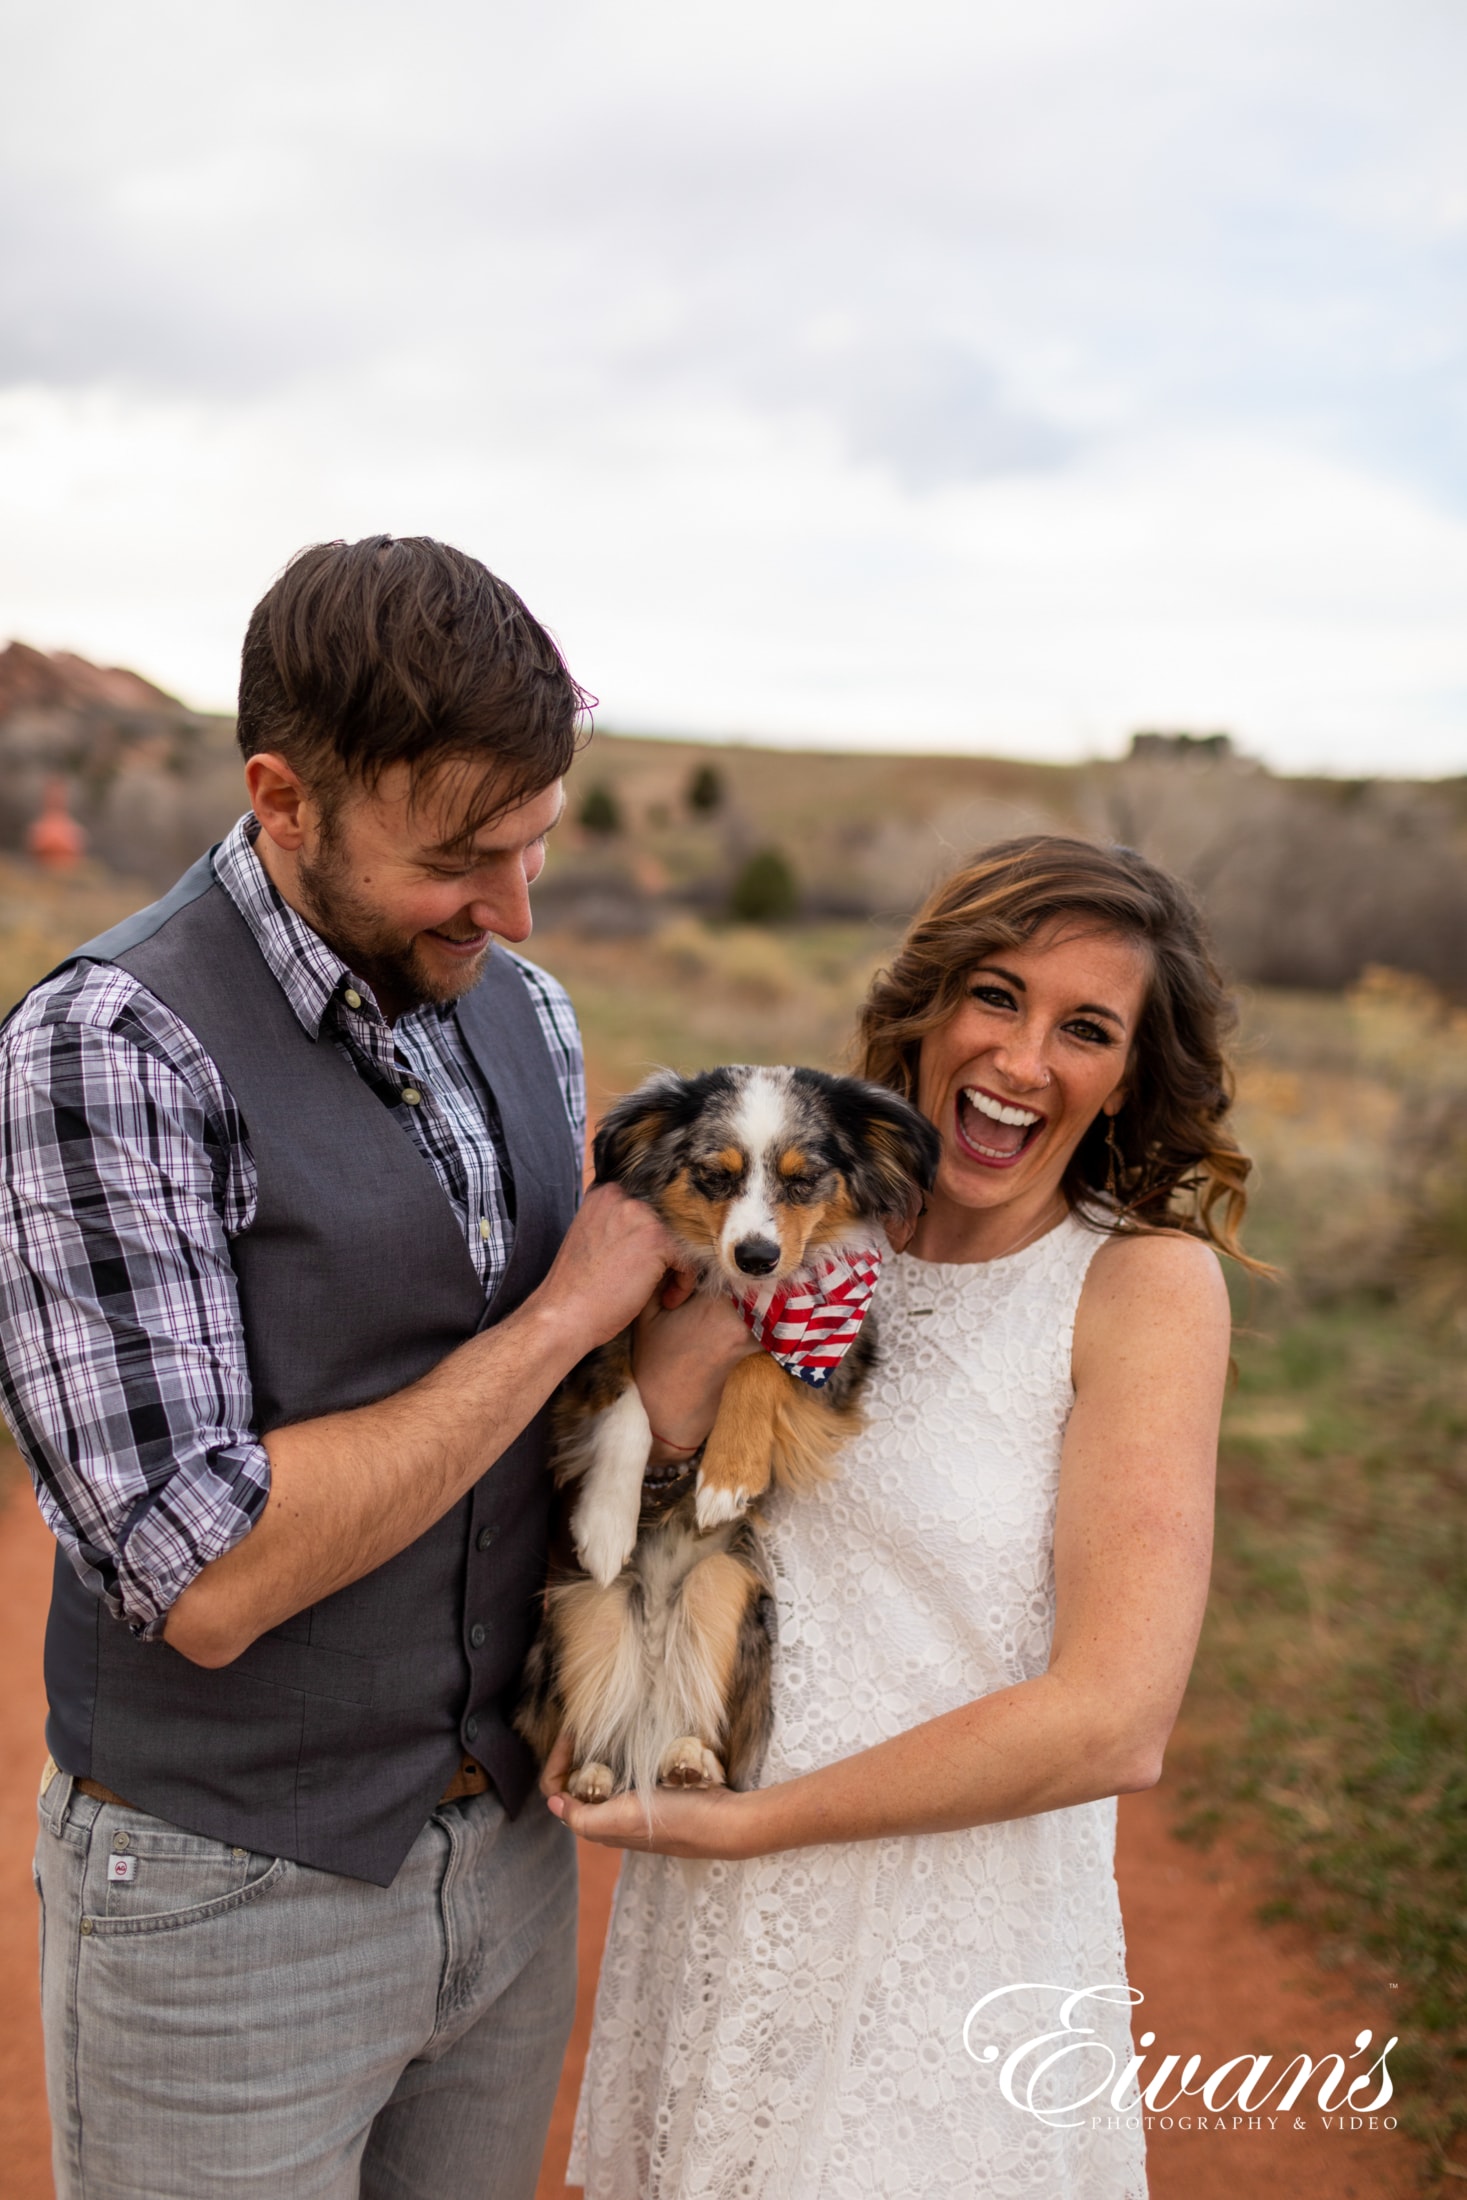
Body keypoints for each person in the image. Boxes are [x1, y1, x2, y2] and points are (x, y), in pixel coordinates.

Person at [0, 536, 750, 2200]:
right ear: (284, 798)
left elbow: (573, 1435)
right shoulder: (109, 1046)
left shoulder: (531, 1012)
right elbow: (207, 1572)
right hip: (223, 1901)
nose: (517, 906)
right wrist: (559, 1318)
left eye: (538, 843)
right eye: (464, 858)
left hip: (510, 1867)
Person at [552, 835, 1255, 2200]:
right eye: (996, 996)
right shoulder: (793, 1221)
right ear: (927, 1010)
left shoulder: (1141, 1290)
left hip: (947, 1950)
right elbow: (640, 1514)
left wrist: (759, 1827)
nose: (1022, 1060)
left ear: (1123, 1077)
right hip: (712, 1927)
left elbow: (1119, 1717)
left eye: (1086, 1029)